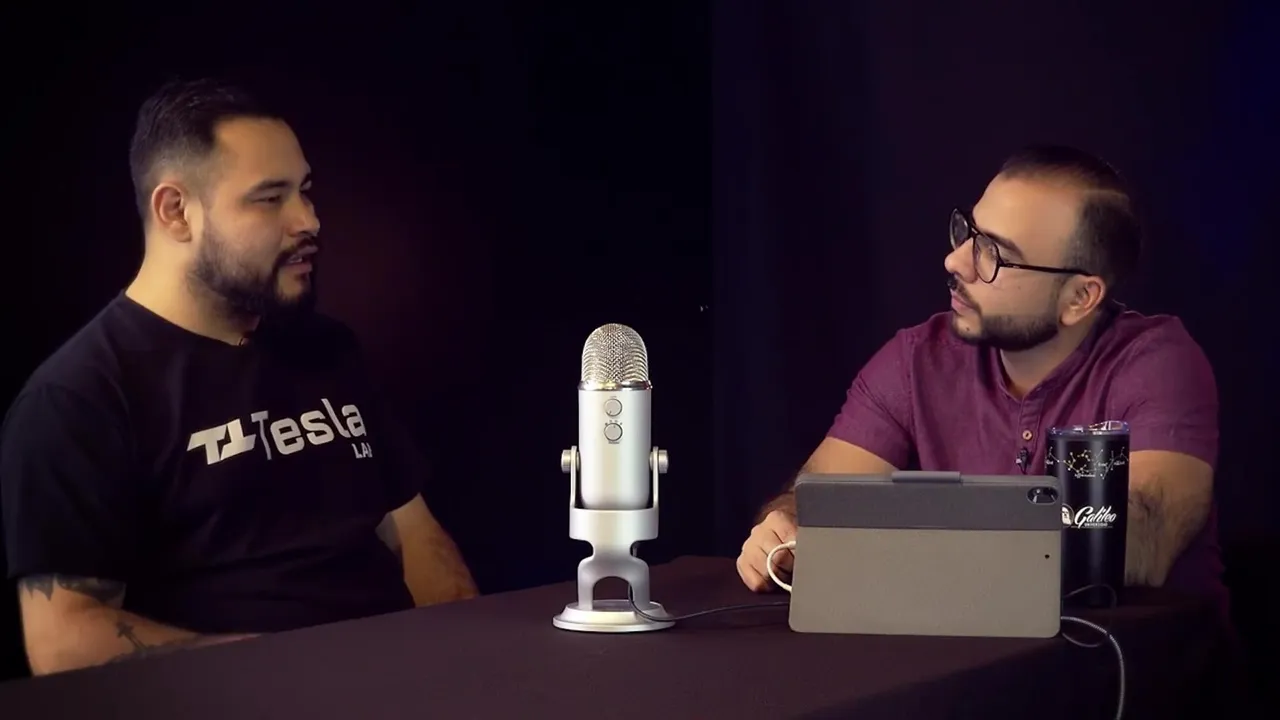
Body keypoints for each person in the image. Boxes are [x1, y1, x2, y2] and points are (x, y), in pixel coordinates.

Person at [0, 78, 478, 676]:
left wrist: (469, 660)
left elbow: (413, 530)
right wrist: (288, 673)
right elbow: (64, 641)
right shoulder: (79, 398)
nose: (309, 220)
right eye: (270, 198)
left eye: (305, 191)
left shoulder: (327, 347)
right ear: (176, 212)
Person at [737, 145, 1225, 613]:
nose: (955, 261)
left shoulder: (1157, 363)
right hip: (973, 663)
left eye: (994, 253)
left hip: (1134, 664)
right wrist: (786, 530)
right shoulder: (916, 359)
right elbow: (819, 502)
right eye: (969, 232)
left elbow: (1141, 541)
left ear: (1080, 298)